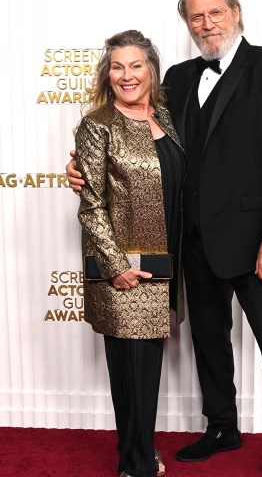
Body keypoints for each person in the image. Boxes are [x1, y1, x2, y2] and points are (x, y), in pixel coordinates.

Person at [67, 0, 262, 475]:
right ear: (187, 23)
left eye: (215, 13)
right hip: (192, 244)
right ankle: (222, 426)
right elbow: (137, 140)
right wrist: (80, 167)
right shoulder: (177, 79)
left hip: (254, 242)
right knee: (209, 341)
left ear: (236, 13)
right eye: (196, 16)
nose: (207, 24)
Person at [74, 29, 186, 477]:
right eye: (117, 66)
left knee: (144, 373)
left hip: (166, 265)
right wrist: (115, 266)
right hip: (127, 270)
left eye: (136, 65)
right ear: (108, 73)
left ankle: (136, 454)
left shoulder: (168, 115)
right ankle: (136, 465)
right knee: (132, 374)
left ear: (151, 69)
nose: (127, 75)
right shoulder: (98, 124)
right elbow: (92, 204)